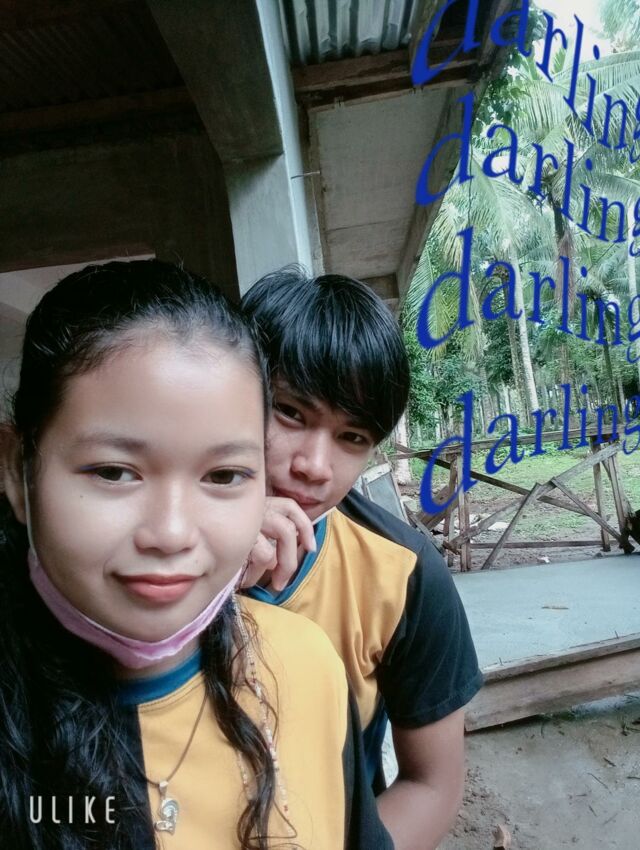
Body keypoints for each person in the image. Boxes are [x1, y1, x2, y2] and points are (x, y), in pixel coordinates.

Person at [0, 259, 393, 850]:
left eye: (224, 475)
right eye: (114, 472)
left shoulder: (307, 669)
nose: (172, 533)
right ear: (16, 468)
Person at [242, 267, 483, 850]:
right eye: (290, 412)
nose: (314, 466)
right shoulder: (139, 548)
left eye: (352, 437)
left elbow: (432, 783)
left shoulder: (404, 576)